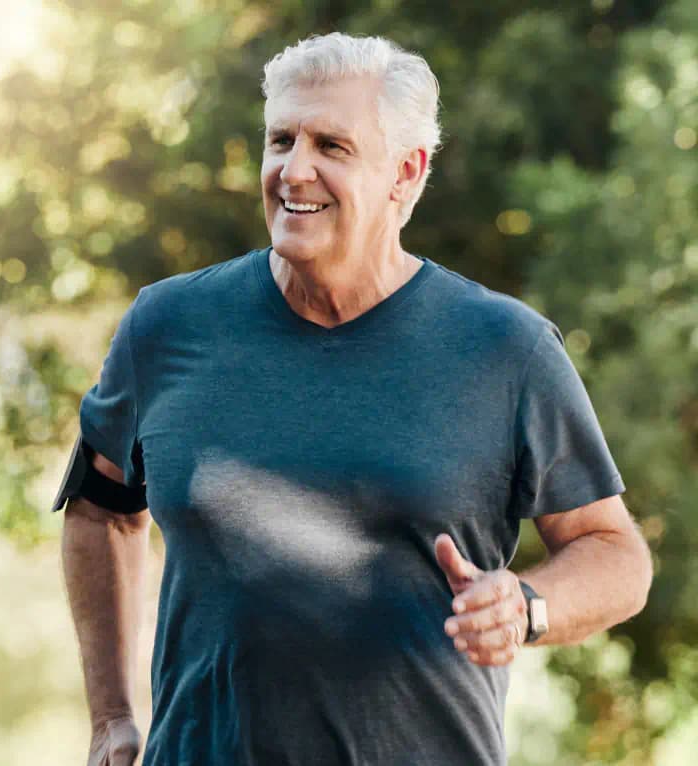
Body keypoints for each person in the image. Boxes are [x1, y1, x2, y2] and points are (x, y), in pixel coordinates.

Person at [58, 33, 653, 766]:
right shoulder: (167, 325)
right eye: (281, 140)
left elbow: (616, 553)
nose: (292, 170)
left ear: (407, 172)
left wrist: (527, 607)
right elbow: (98, 511)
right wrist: (110, 714)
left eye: (331, 146)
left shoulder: (506, 349)